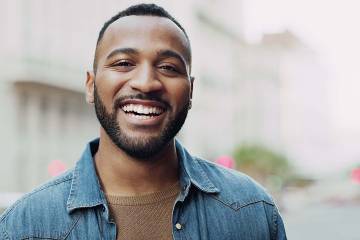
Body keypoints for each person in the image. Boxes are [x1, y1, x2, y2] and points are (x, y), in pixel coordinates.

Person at [0, 3, 287, 240]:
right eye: (124, 63)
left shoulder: (252, 211)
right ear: (90, 85)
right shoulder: (24, 227)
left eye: (168, 67)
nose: (146, 82)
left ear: (190, 90)